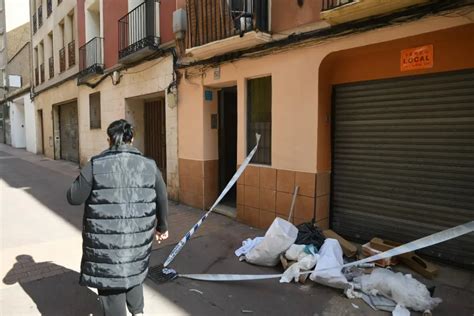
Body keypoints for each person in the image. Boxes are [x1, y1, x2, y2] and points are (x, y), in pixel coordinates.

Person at [67, 119, 169, 316]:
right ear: (133, 139)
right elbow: (162, 196)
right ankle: (137, 313)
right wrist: (162, 227)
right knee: (134, 270)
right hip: (138, 238)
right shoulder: (149, 165)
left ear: (109, 140)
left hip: (105, 244)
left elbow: (73, 197)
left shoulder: (96, 164)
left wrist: (84, 173)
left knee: (111, 282)